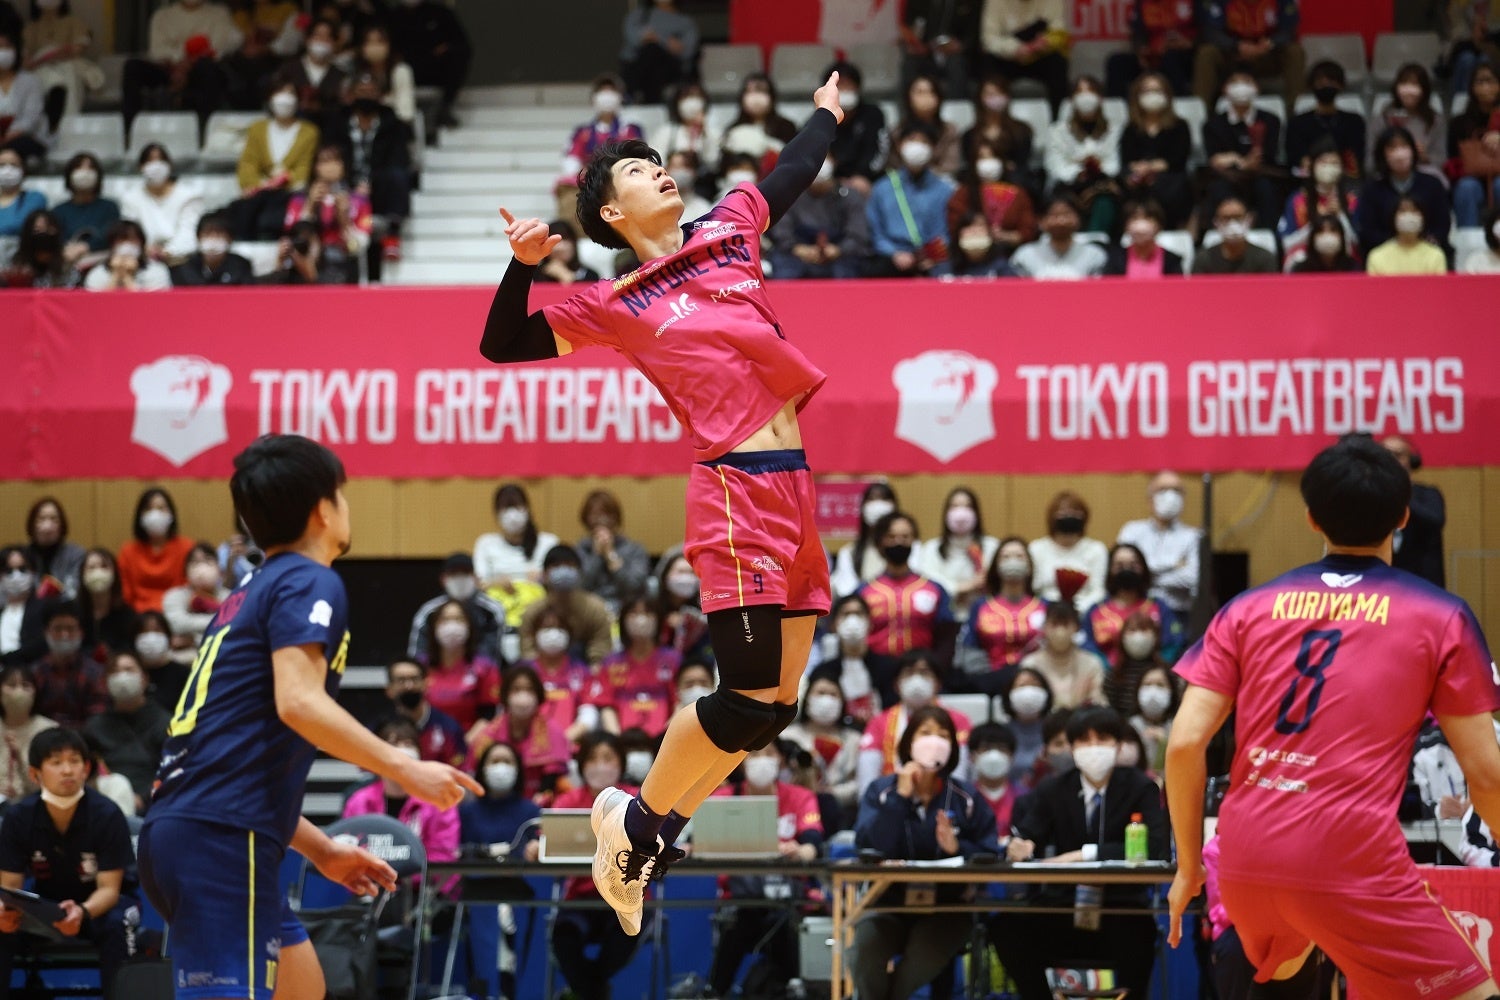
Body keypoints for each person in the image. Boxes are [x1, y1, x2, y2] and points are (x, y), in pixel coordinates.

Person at [481, 72, 846, 936]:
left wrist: (827, 114)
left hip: (795, 485)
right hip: (732, 491)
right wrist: (519, 268)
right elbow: (502, 344)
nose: (659, 171)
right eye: (639, 171)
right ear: (611, 213)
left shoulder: (727, 232)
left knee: (776, 707)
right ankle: (631, 819)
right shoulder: (613, 304)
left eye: (657, 161)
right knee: (746, 694)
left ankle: (654, 833)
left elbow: (789, 173)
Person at [137, 434, 479, 1000]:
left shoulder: (248, 592)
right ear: (325, 508)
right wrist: (407, 767)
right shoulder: (307, 578)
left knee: (302, 988)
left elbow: (230, 756)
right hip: (219, 839)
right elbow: (297, 703)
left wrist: (321, 850)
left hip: (198, 828)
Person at [1166, 435, 1500, 1000]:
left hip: (1246, 859)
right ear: (1402, 517)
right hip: (1350, 862)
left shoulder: (1246, 607)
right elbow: (1487, 775)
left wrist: (1187, 867)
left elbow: (1182, 746)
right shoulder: (1440, 614)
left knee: (1287, 982)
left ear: (1311, 518)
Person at [995, 706, 1168, 1000]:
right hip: (1063, 906)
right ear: (1073, 748)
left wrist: (1083, 854)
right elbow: (1027, 834)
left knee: (1141, 934)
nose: (1093, 748)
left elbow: (1156, 846)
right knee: (1007, 927)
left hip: (1120, 908)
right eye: (1084, 742)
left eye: (1102, 739)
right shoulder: (1053, 789)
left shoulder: (1141, 787)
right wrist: (1019, 844)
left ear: (1118, 745)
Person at [850, 705, 1000, 1000]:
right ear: (908, 742)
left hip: (947, 908)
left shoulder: (966, 798)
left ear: (953, 747)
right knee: (864, 952)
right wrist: (901, 798)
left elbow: (990, 852)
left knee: (924, 956)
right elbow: (869, 846)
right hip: (887, 904)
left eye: (943, 735)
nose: (935, 741)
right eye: (926, 733)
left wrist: (957, 849)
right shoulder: (881, 792)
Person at [0, 728, 132, 998]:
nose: (67, 770)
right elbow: (10, 887)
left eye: (74, 761)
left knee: (118, 925)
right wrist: (7, 913)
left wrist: (82, 911)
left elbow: (109, 889)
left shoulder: (107, 814)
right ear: (35, 774)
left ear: (86, 769)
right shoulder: (18, 818)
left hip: (100, 908)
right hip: (45, 908)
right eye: (56, 762)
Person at [706, 738, 823, 998]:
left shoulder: (800, 797)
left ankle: (793, 986)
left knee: (782, 919)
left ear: (780, 759)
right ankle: (715, 990)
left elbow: (813, 841)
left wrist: (801, 850)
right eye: (753, 754)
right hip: (737, 897)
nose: (761, 760)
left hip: (787, 896)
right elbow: (699, 841)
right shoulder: (722, 798)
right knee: (742, 919)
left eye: (769, 753)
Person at [549, 733, 644, 1000]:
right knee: (563, 937)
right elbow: (547, 842)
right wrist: (538, 847)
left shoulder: (638, 800)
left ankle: (587, 991)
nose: (600, 766)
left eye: (607, 758)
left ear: (620, 763)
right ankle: (596, 992)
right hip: (580, 898)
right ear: (581, 765)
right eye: (592, 759)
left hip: (626, 897)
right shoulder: (567, 802)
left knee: (629, 931)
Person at [458, 740, 541, 1000]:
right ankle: (482, 992)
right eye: (495, 761)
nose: (501, 767)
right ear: (483, 769)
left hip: (518, 892)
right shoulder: (467, 811)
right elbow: (458, 852)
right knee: (481, 947)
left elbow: (536, 850)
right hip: (476, 892)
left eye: (507, 762)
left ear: (518, 770)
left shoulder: (531, 811)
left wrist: (536, 850)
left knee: (514, 948)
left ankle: (510, 992)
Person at [341, 717, 460, 888]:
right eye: (393, 744)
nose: (402, 750)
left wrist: (397, 875)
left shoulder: (438, 803)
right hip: (368, 892)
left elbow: (443, 859)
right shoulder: (359, 802)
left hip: (421, 894)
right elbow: (348, 853)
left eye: (408, 744)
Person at [856, 649, 973, 792]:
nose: (916, 680)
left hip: (942, 799)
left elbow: (959, 773)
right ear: (896, 685)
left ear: (938, 684)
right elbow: (867, 776)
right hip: (892, 800)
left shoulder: (957, 720)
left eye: (924, 673)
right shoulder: (879, 722)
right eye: (909, 673)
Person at [860, 512, 958, 667]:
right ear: (880, 542)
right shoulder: (864, 592)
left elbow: (946, 637)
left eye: (905, 537)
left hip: (923, 671)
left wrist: (936, 669)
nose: (899, 542)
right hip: (875, 672)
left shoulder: (934, 589)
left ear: (914, 541)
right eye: (891, 537)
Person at [122, 0, 238, 130]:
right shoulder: (162, 16)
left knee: (206, 68)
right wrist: (179, 63)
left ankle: (205, 129)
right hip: (170, 69)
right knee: (132, 67)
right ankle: (131, 130)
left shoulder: (219, 14)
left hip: (202, 70)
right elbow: (157, 50)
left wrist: (187, 64)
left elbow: (218, 48)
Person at [467, 666, 572, 800]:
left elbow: (553, 776)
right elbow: (476, 773)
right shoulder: (488, 734)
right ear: (505, 694)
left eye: (529, 689)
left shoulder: (552, 732)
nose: (523, 696)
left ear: (538, 695)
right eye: (516, 689)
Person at [83, 651, 168, 814]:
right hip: (106, 802)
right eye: (114, 672)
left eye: (129, 670)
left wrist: (143, 798)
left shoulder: (166, 722)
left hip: (156, 803)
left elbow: (172, 771)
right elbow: (87, 772)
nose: (122, 676)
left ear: (144, 678)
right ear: (105, 682)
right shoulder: (94, 727)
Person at [866, 122, 956, 277]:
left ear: (934, 149)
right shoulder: (882, 188)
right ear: (900, 146)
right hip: (892, 257)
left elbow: (946, 232)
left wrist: (933, 255)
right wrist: (894, 253)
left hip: (933, 257)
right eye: (911, 140)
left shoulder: (945, 190)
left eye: (924, 142)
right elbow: (876, 232)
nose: (917, 147)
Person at [1200, 70, 1285, 229]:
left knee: (1266, 188)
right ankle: (1217, 233)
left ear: (1256, 88)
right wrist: (1241, 163)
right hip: (1228, 177)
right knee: (1217, 188)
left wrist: (1239, 160)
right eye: (1235, 82)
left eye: (1246, 82)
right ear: (1225, 89)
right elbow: (1215, 159)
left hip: (1260, 174)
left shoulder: (1270, 120)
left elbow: (1270, 154)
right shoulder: (1212, 124)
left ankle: (1269, 235)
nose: (1241, 87)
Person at [767, 151, 871, 278]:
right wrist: (798, 249)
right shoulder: (789, 194)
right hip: (798, 253)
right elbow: (781, 232)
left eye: (823, 158)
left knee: (853, 266)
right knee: (783, 264)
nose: (818, 163)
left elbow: (858, 235)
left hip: (839, 254)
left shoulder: (849, 196)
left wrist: (838, 250)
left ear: (834, 162)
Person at [588, 596, 680, 738]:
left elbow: (679, 703)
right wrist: (617, 739)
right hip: (622, 738)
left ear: (658, 620)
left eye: (647, 613)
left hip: (666, 739)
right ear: (623, 621)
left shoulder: (674, 660)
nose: (641, 619)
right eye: (634, 613)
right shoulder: (611, 662)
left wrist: (667, 737)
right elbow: (607, 706)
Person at [782, 668, 863, 828]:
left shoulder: (855, 740)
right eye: (820, 693)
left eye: (833, 694)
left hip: (843, 814)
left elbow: (860, 783)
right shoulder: (787, 736)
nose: (827, 699)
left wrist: (831, 793)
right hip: (794, 812)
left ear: (842, 701)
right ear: (808, 699)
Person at [1084, 542, 1181, 669]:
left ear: (1143, 568)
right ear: (1110, 570)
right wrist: (1106, 668)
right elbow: (1087, 647)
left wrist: (1158, 667)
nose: (1126, 570)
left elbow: (1174, 642)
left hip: (1151, 675)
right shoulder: (1096, 610)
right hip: (1107, 676)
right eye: (1119, 566)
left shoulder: (1158, 606)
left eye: (1133, 565)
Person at [1192, 0, 1305, 109]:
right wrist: (1236, 46)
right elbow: (1210, 32)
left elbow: (1289, 30)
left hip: (1267, 54)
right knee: (1206, 52)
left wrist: (1271, 43)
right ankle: (1200, 110)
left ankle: (1296, 109)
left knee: (1294, 51)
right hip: (1232, 55)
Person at [1117, 471, 1201, 616]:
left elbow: (1192, 578)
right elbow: (1124, 572)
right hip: (1136, 612)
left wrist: (1146, 576)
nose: (1170, 496)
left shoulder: (1193, 537)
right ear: (1150, 499)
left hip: (1178, 613)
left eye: (1176, 490)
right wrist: (1173, 565)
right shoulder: (1131, 531)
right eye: (1163, 490)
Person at [1045, 76, 1122, 235]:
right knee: (1061, 203)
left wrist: (1098, 166)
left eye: (1091, 91)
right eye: (1080, 92)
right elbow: (1054, 165)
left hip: (1101, 183)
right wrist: (1079, 169)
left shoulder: (1114, 130)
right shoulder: (1057, 131)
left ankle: (1096, 240)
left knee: (1105, 200)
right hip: (1069, 184)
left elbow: (1114, 164)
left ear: (1100, 98)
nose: (1085, 97)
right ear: (1072, 99)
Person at [1357, 126, 1451, 255]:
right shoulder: (1372, 189)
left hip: (1426, 252)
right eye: (1392, 148)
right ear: (1383, 154)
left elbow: (1442, 225)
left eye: (1404, 147)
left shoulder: (1432, 184)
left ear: (1413, 150)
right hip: (1386, 255)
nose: (1399, 154)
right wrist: (1396, 246)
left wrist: (1424, 244)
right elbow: (1367, 230)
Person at [517, 545, 613, 667]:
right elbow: (527, 651)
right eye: (556, 566)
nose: (563, 571)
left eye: (569, 566)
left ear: (580, 573)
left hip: (584, 669)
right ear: (544, 575)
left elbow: (601, 647)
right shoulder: (533, 611)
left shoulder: (595, 608)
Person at [913, 486, 998, 622]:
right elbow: (929, 584)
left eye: (967, 506)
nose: (961, 512)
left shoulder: (992, 546)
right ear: (946, 512)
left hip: (985, 619)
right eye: (955, 506)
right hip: (944, 618)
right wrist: (963, 587)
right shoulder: (931, 548)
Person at [947, 135, 1037, 262]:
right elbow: (954, 227)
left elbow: (1028, 231)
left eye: (993, 157)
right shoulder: (963, 193)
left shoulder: (1018, 194)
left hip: (1009, 256)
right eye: (982, 158)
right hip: (968, 258)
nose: (988, 162)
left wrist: (1006, 237)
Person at [1119, 72, 1193, 227]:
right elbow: (1127, 158)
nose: (1152, 96)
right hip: (1138, 177)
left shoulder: (1179, 126)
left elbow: (1179, 159)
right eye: (1147, 91)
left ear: (1167, 95)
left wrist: (1151, 167)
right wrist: (1140, 169)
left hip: (1169, 177)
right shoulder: (1131, 128)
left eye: (1157, 91)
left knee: (1173, 187)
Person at [407, 553, 508, 666]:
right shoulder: (429, 611)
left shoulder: (491, 610)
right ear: (443, 579)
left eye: (465, 573)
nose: (460, 578)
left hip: (478, 674)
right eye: (454, 573)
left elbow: (491, 655)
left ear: (475, 578)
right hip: (436, 674)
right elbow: (417, 655)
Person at [967, 537, 1046, 680]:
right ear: (996, 566)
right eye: (1006, 557)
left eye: (1019, 556)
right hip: (990, 679)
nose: (1012, 561)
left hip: (1038, 679)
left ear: (1030, 566)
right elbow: (970, 649)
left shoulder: (1045, 606)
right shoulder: (981, 606)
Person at [384, 0, 469, 128]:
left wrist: (445, 48)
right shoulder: (392, 17)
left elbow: (461, 43)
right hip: (402, 70)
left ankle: (444, 107)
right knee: (401, 70)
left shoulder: (440, 13)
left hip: (434, 67)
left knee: (459, 53)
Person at [420, 598, 501, 731]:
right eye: (445, 620)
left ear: (469, 626)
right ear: (434, 627)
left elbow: (489, 714)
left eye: (459, 619)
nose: (452, 626)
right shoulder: (421, 666)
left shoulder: (485, 668)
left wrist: (463, 745)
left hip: (471, 740)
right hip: (428, 740)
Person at [1277, 138, 1360, 262]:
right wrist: (1316, 225)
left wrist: (1341, 215)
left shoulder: (1351, 201)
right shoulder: (1298, 201)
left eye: (1334, 163)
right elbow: (1287, 243)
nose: (1328, 168)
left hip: (1342, 261)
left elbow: (1356, 243)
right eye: (1323, 162)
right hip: (1305, 261)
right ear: (1312, 166)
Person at [121, 143, 204, 265]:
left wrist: (168, 252)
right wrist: (146, 249)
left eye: (160, 160)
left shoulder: (190, 195)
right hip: (143, 258)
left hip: (183, 260)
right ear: (141, 167)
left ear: (169, 165)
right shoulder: (131, 197)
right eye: (150, 161)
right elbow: (130, 232)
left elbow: (189, 232)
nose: (156, 165)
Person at [115, 487, 195, 614]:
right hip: (137, 617)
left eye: (161, 508)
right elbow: (125, 594)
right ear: (140, 516)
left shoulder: (186, 547)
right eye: (149, 509)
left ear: (171, 515)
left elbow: (191, 590)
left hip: (177, 614)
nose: (155, 514)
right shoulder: (128, 551)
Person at [1383, 434, 1448, 589]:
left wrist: (1398, 490)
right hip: (1383, 586)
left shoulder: (1428, 494)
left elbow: (1435, 520)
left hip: (1423, 585)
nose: (1391, 461)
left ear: (1412, 461)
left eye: (1398, 455)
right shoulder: (1372, 496)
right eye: (1386, 456)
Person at [473, 482, 558, 599]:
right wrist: (497, 583)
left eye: (517, 506)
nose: (512, 515)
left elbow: (561, 579)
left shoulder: (549, 542)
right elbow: (480, 584)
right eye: (505, 508)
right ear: (496, 513)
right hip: (500, 604)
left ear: (527, 509)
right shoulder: (485, 543)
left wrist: (543, 579)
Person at [979, 0, 1069, 110]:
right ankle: (991, 120)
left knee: (1058, 63)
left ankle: (1057, 119)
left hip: (1040, 55)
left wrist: (1044, 42)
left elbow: (1059, 30)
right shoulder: (995, 2)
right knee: (988, 62)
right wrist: (1016, 48)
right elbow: (989, 39)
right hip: (1007, 56)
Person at [817, 594, 892, 724]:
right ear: (833, 625)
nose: (852, 620)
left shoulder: (887, 668)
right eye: (846, 614)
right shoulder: (823, 672)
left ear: (870, 623)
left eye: (858, 613)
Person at [30, 602, 106, 730]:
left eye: (70, 629)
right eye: (58, 629)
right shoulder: (35, 672)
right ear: (46, 632)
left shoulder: (95, 673)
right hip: (40, 740)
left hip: (83, 742)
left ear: (81, 633)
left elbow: (97, 719)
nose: (64, 635)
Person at [574, 489, 651, 616]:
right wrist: (596, 555)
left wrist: (610, 554)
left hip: (626, 611)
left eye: (606, 514)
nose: (601, 520)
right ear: (586, 518)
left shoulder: (634, 549)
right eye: (594, 514)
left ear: (616, 517)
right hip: (588, 612)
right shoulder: (579, 549)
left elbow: (634, 587)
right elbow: (580, 586)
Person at [21, 0, 100, 123]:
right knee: (48, 77)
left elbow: (77, 49)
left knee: (69, 72)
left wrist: (56, 54)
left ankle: (70, 123)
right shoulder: (30, 28)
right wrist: (44, 58)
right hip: (41, 68)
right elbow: (26, 62)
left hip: (68, 65)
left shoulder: (74, 22)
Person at [1018, 601, 1106, 709]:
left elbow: (1097, 702)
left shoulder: (1092, 663)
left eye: (1065, 624)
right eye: (1054, 624)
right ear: (1044, 627)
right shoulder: (1031, 664)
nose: (1060, 630)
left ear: (1077, 627)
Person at [1029, 489, 1109, 607]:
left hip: (1084, 611)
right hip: (1046, 610)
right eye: (1063, 512)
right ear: (1052, 516)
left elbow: (1098, 591)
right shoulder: (1036, 549)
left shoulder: (1096, 549)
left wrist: (1077, 610)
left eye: (1075, 512)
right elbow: (1033, 588)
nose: (1069, 516)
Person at [961, 74, 1037, 197]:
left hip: (1012, 184)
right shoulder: (970, 134)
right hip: (979, 184)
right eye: (990, 94)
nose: (995, 98)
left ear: (1007, 97)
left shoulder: (1021, 131)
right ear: (980, 98)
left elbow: (1023, 163)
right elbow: (969, 163)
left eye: (999, 93)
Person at [382, 658, 466, 768]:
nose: (409, 686)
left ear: (426, 685)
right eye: (401, 680)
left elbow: (459, 772)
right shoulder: (380, 730)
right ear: (389, 690)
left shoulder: (450, 728)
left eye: (415, 679)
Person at [1286, 60, 1365, 178]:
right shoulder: (1297, 123)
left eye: (1331, 81)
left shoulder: (1354, 121)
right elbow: (1296, 160)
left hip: (1345, 180)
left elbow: (1355, 159)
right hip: (1308, 180)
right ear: (1312, 85)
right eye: (1320, 81)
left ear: (1341, 85)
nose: (1326, 85)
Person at [1370, 63, 1447, 182]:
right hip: (1388, 174)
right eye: (1404, 83)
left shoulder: (1435, 120)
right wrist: (1391, 154)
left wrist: (1424, 157)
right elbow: (1370, 162)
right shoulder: (1383, 119)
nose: (1409, 90)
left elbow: (1442, 160)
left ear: (1424, 89)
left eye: (1415, 84)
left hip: (1424, 174)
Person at [1105, 0, 1195, 98]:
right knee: (1116, 61)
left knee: (1171, 58)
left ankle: (1179, 105)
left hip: (1184, 52)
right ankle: (1117, 109)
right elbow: (1137, 33)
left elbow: (1205, 31)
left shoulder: (1192, 2)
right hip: (1153, 53)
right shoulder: (1144, 3)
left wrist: (1190, 43)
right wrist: (1141, 50)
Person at [901, 0, 983, 104]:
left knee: (956, 64)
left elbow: (974, 33)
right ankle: (909, 109)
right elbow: (909, 27)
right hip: (927, 52)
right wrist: (916, 45)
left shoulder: (970, 3)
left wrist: (961, 45)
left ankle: (956, 109)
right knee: (910, 64)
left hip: (957, 54)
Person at [617, 0, 698, 106]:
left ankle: (632, 96)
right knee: (651, 51)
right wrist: (666, 41)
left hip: (669, 68)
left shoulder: (686, 22)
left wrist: (656, 38)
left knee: (654, 53)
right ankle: (646, 100)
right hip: (636, 64)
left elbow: (687, 51)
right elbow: (633, 38)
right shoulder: (639, 15)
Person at [1009, 192, 1107, 278]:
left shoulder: (1094, 255)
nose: (1061, 221)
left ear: (1078, 218)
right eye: (1054, 215)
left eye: (1067, 214)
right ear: (1041, 221)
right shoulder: (1025, 255)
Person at [1450, 62, 1500, 228]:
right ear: (1472, 87)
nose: (1486, 87)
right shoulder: (1459, 122)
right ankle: (1468, 243)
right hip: (1471, 178)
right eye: (1480, 82)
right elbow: (1452, 158)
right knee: (1466, 187)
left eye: (1491, 81)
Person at [832, 482, 900, 599]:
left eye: (884, 498)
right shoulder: (849, 553)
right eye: (872, 499)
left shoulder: (909, 548)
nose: (878, 505)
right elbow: (847, 592)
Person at [827, 61, 885, 191]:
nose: (845, 90)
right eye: (840, 86)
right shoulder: (820, 119)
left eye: (849, 85)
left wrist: (862, 176)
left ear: (858, 88)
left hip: (868, 179)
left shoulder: (873, 114)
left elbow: (880, 151)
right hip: (832, 181)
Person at [0, 664, 55, 802]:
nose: (19, 691)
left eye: (25, 685)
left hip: (34, 805)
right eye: (11, 685)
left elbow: (51, 786)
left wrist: (19, 755)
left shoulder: (49, 730)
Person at [272, 18, 345, 121]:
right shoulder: (288, 69)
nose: (322, 41)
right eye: (317, 35)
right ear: (307, 39)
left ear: (334, 43)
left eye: (327, 37)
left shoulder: (340, 75)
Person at [161, 543, 229, 653]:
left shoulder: (230, 596)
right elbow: (178, 624)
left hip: (222, 653)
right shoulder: (174, 596)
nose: (201, 568)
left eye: (208, 561)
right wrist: (220, 619)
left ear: (220, 570)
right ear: (185, 571)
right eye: (195, 562)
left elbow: (234, 625)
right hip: (185, 657)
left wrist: (194, 640)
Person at [720, 73, 798, 169]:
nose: (756, 97)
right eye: (750, 92)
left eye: (761, 91)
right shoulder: (733, 130)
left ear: (772, 97)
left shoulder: (787, 127)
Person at [51, 151, 119, 255]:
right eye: (79, 168)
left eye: (90, 168)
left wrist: (86, 247)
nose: (85, 173)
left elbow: (111, 236)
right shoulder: (58, 211)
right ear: (69, 175)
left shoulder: (110, 207)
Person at [82, 219, 173, 291]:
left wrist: (127, 277)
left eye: (133, 240)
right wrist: (116, 275)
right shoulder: (98, 273)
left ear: (142, 244)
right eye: (121, 240)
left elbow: (151, 306)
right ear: (111, 245)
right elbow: (96, 305)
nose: (127, 245)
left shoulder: (157, 271)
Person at [1193, 196, 1277, 274]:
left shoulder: (1265, 258)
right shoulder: (1203, 259)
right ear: (1216, 223)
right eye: (1226, 218)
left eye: (1238, 217)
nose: (1232, 224)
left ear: (1249, 220)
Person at [0, 26, 49, 160]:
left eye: (6, 47)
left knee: (18, 145)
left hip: (26, 139)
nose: (2, 52)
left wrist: (6, 136)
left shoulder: (30, 81)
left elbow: (31, 118)